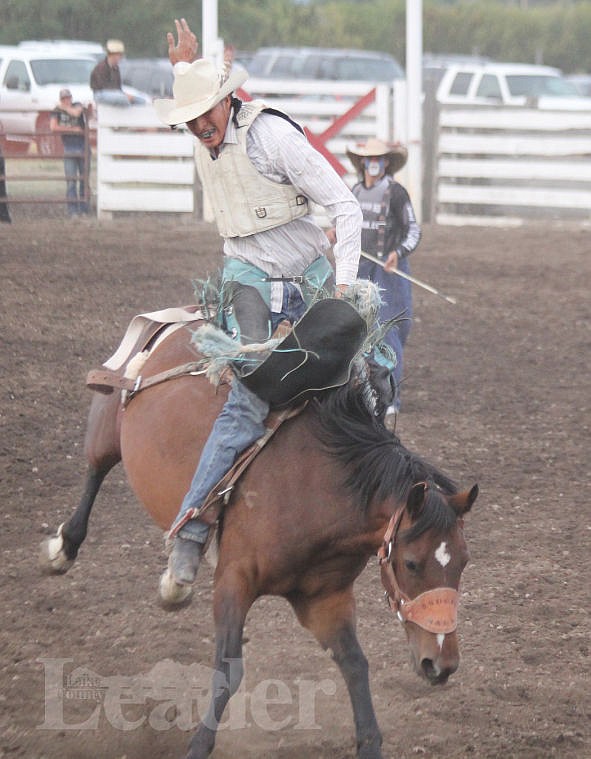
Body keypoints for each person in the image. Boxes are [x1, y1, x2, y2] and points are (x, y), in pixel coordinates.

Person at [152, 18, 362, 606]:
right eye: (190, 121)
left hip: (314, 276)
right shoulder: (206, 125)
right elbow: (195, 100)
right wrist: (184, 70)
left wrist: (342, 290)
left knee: (362, 377)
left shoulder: (273, 138)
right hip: (246, 276)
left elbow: (345, 208)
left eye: (205, 114)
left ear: (227, 103)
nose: (199, 128)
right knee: (252, 388)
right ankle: (192, 533)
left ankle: (367, 504)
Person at [346, 137, 421, 424]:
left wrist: (397, 253)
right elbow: (349, 224)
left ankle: (389, 397)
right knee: (358, 332)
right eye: (370, 158)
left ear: (386, 163)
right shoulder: (354, 191)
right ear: (363, 162)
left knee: (389, 331)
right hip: (360, 267)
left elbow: (413, 230)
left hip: (388, 271)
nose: (374, 163)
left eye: (380, 158)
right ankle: (364, 390)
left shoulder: (396, 193)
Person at [49, 89, 90, 217]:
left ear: (71, 98)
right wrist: (72, 129)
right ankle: (73, 210)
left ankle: (84, 209)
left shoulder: (77, 105)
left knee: (84, 179)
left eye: (68, 98)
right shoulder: (56, 111)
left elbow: (77, 113)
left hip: (83, 146)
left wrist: (63, 108)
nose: (67, 100)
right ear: (61, 99)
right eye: (64, 99)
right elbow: (53, 127)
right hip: (69, 147)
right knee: (71, 181)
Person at [90, 39, 145, 105]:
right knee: (123, 99)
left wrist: (126, 95)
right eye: (119, 55)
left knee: (140, 100)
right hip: (100, 94)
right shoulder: (100, 67)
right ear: (113, 55)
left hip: (115, 94)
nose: (121, 57)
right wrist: (123, 95)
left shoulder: (116, 68)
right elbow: (102, 87)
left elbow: (118, 87)